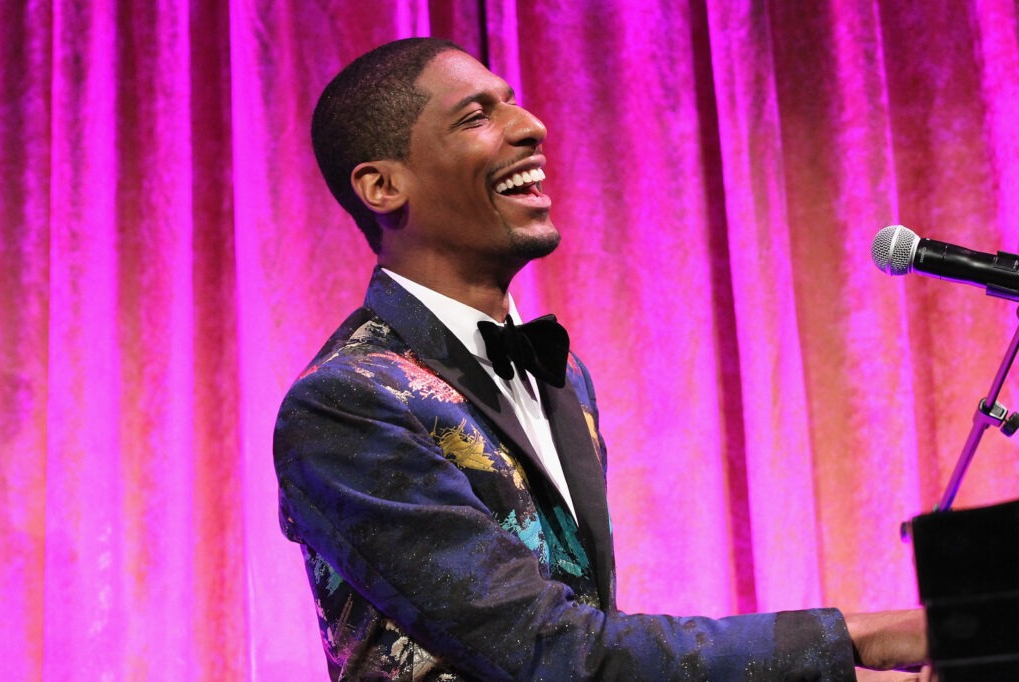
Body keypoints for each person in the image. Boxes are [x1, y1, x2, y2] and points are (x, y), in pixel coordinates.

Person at [273, 37, 931, 680]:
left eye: (514, 104)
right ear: (383, 186)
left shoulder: (565, 376)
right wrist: (855, 636)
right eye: (476, 117)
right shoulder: (347, 401)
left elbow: (588, 635)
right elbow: (546, 650)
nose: (532, 126)